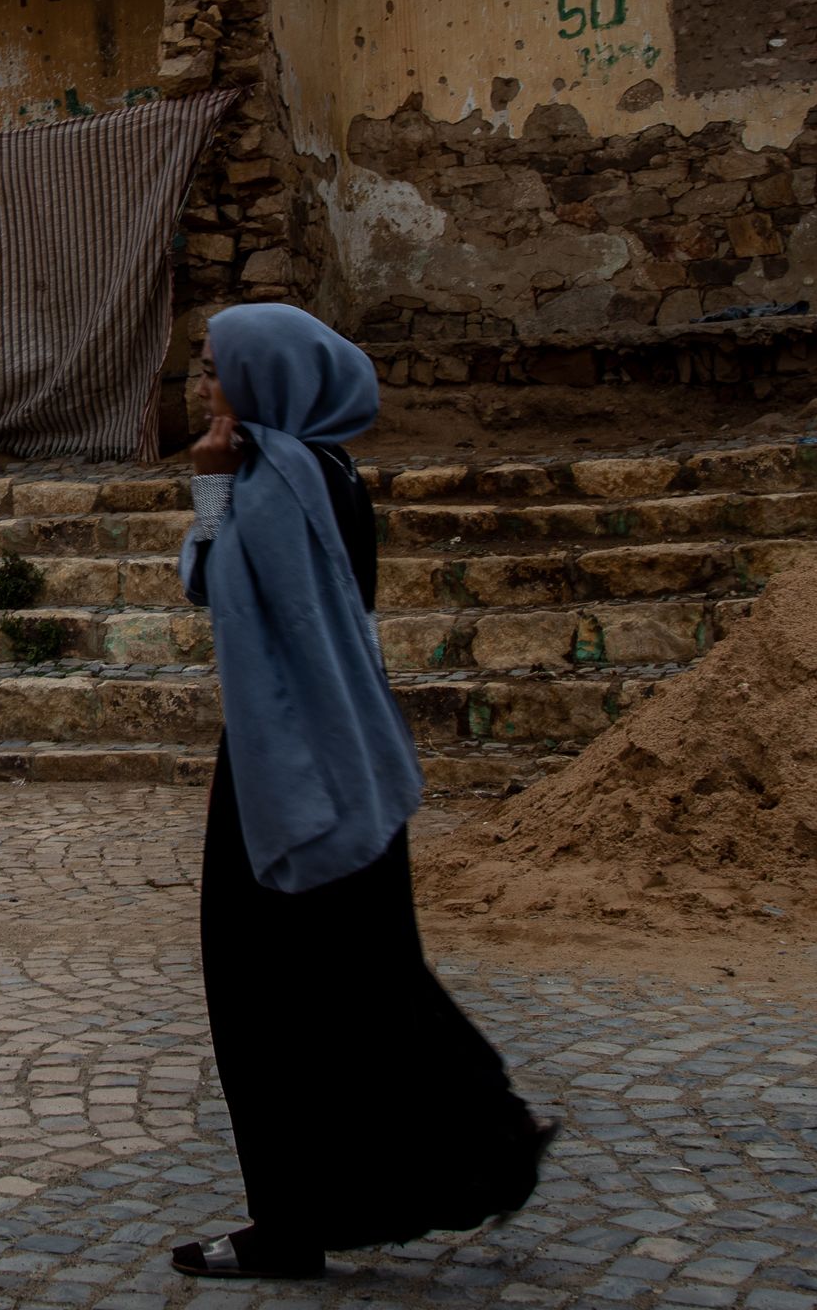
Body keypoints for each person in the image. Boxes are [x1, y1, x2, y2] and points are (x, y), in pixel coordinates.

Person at [171, 302, 553, 1280]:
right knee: (365, 976)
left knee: (274, 995)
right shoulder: (319, 470)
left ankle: (302, 1219)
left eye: (217, 368)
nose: (204, 385)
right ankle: (481, 1143)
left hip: (292, 768)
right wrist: (217, 482)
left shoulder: (284, 483)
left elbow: (218, 593)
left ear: (268, 378)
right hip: (330, 758)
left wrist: (213, 494)